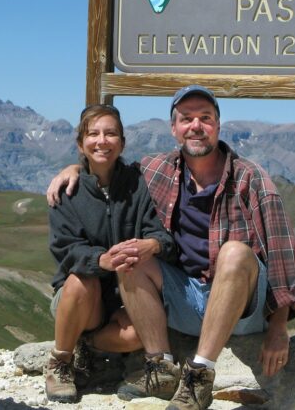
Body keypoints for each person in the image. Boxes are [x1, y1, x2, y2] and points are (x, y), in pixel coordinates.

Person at [47, 85, 295, 410]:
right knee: (132, 256)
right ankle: (161, 369)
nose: (196, 126)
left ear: (218, 126)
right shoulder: (156, 170)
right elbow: (106, 165)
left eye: (205, 118)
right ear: (174, 129)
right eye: (186, 119)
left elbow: (282, 250)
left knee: (234, 252)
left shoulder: (250, 178)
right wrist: (75, 170)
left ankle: (199, 376)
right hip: (184, 297)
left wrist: (279, 326)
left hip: (241, 305)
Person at [45, 104, 176, 403]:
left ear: (122, 142)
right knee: (83, 279)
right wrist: (99, 261)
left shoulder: (140, 183)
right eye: (93, 134)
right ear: (81, 144)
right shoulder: (67, 191)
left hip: (124, 298)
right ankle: (60, 363)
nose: (102, 140)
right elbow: (65, 249)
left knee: (137, 335)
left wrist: (152, 245)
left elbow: (162, 234)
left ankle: (85, 346)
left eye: (110, 133)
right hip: (78, 298)